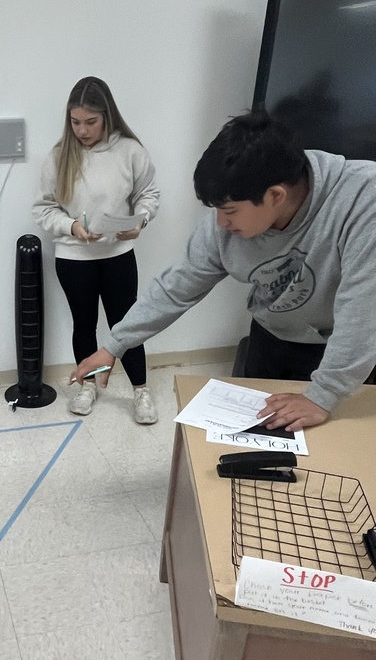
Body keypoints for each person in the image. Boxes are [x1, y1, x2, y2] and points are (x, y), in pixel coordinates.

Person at [71, 111, 376, 432]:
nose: (221, 225)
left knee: (336, 457)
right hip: (273, 336)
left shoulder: (362, 198)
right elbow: (175, 288)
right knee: (257, 445)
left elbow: (364, 311)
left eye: (229, 212)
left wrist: (323, 395)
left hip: (350, 354)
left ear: (275, 196)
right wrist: (113, 345)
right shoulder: (227, 221)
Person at [33, 76, 160, 422]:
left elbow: (149, 194)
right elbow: (44, 208)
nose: (82, 130)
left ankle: (141, 391)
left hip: (117, 256)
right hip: (74, 258)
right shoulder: (59, 156)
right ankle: (87, 385)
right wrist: (72, 227)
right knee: (83, 324)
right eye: (75, 122)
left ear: (107, 116)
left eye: (90, 122)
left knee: (126, 325)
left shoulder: (130, 151)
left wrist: (141, 221)